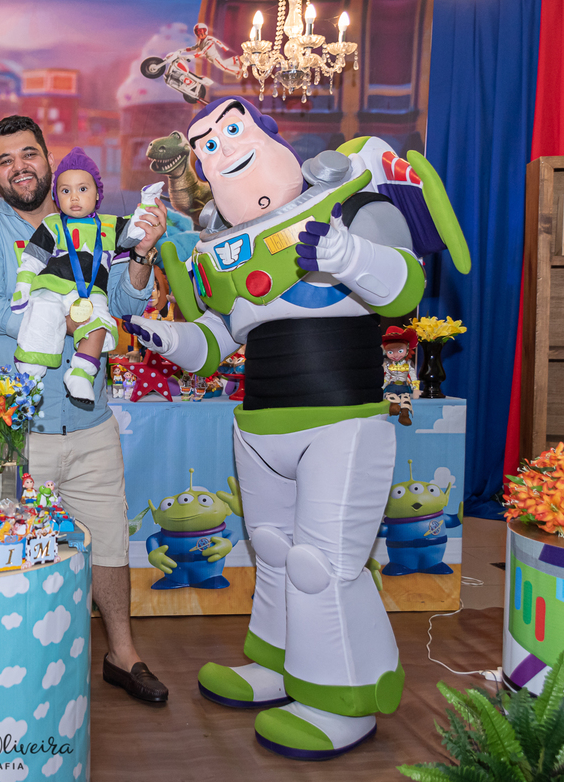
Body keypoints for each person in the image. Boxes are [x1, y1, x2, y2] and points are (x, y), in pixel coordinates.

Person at [124, 97, 458, 758]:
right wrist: (164, 336)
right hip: (260, 428)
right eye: (205, 144)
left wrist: (347, 253)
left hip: (341, 425)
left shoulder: (347, 209)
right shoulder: (230, 256)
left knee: (321, 566)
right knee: (274, 552)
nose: (220, 148)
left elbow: (406, 287)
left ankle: (345, 698)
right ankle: (279, 666)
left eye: (231, 129)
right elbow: (216, 342)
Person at [0, 115, 170, 703]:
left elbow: (124, 298)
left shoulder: (91, 220)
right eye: (5, 159)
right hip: (16, 426)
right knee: (12, 547)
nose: (19, 167)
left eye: (29, 153)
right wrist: (60, 318)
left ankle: (122, 654)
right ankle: (14, 665)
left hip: (90, 418)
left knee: (109, 540)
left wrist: (142, 254)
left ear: (50, 160)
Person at [12, 147, 156, 403]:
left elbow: (136, 232)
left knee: (100, 325)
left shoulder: (110, 224)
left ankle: (81, 374)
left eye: (82, 189)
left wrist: (147, 204)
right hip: (51, 286)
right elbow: (33, 258)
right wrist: (23, 287)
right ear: (56, 196)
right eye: (65, 191)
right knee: (42, 315)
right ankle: (29, 374)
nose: (74, 197)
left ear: (98, 193)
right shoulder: (52, 224)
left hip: (93, 292)